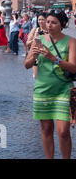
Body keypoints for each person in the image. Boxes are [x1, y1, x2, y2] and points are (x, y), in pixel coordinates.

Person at [25, 10, 76, 159]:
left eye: (54, 22)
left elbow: (74, 67)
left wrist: (54, 58)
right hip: (43, 90)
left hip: (64, 90)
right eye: (48, 22)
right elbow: (27, 65)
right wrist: (33, 56)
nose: (49, 25)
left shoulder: (71, 42)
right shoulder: (38, 40)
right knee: (46, 129)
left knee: (63, 132)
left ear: (63, 24)